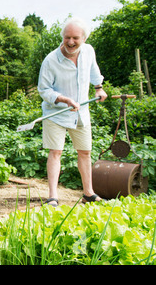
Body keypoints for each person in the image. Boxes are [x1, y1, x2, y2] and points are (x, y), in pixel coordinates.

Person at [37, 17, 108, 207]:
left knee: (85, 152)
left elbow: (94, 71)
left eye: (75, 38)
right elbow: (44, 90)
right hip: (56, 113)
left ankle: (88, 193)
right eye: (67, 37)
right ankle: (52, 196)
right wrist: (63, 99)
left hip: (81, 112)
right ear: (62, 37)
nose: (70, 42)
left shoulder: (88, 51)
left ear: (84, 38)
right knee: (55, 152)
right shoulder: (51, 60)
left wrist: (98, 88)